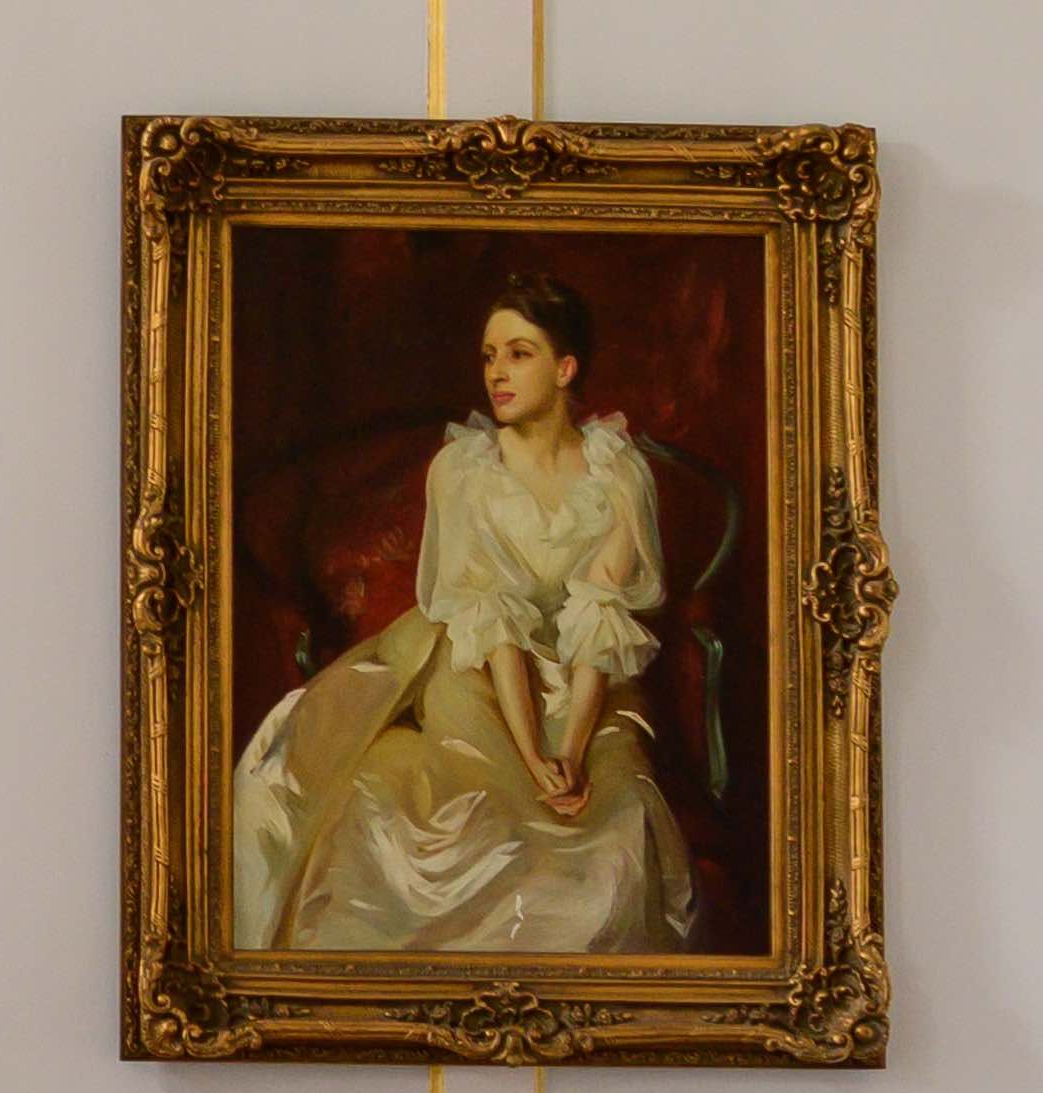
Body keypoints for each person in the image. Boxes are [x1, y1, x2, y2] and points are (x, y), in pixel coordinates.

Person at [228, 268, 698, 954]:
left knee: (610, 824)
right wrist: (530, 752)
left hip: (585, 677)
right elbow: (492, 620)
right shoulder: (463, 469)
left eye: (517, 353)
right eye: (487, 356)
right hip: (477, 666)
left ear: (564, 368)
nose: (496, 374)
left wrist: (566, 752)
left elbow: (600, 620)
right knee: (437, 812)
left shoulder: (617, 472)